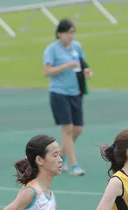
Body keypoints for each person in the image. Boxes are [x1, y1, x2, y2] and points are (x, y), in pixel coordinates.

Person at [43, 18, 93, 177]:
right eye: (68, 33)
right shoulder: (52, 50)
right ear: (59, 34)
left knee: (78, 129)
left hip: (75, 92)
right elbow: (47, 71)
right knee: (68, 129)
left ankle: (60, 156)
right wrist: (66, 66)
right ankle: (74, 165)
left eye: (73, 33)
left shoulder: (76, 47)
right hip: (59, 93)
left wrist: (87, 72)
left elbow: (82, 64)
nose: (71, 36)